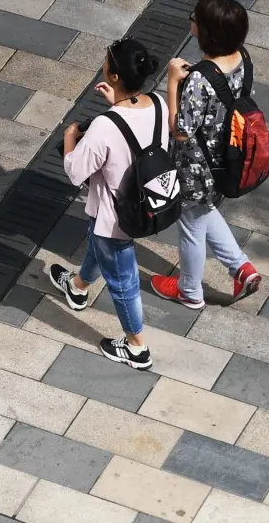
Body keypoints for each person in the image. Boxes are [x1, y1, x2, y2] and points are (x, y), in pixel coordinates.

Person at [48, 37, 165, 369]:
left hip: (115, 215)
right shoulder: (157, 104)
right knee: (99, 248)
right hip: (148, 200)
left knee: (123, 281)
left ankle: (136, 347)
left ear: (114, 76)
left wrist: (71, 138)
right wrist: (117, 103)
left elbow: (75, 171)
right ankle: (78, 286)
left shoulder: (103, 127)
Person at [153, 0, 264, 308]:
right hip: (229, 159)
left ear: (203, 32)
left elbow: (181, 129)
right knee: (203, 211)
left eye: (194, 18)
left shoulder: (199, 79)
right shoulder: (243, 57)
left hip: (197, 166)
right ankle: (240, 267)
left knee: (190, 223)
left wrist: (173, 83)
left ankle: (190, 291)